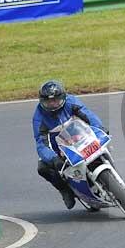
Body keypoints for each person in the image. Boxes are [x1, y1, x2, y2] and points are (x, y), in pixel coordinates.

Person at [34, 80, 104, 209]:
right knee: (42, 168)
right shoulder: (39, 116)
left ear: (63, 98)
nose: (53, 104)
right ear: (42, 101)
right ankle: (65, 190)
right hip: (59, 148)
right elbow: (41, 143)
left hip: (81, 137)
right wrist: (53, 158)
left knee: (102, 147)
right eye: (48, 101)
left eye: (56, 100)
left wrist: (99, 129)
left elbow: (89, 115)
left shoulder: (71, 102)